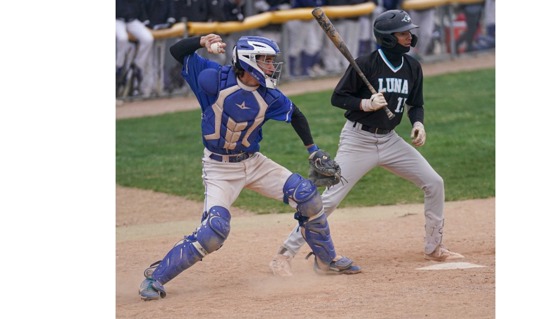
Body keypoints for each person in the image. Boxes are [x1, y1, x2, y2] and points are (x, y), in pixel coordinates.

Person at [138, 34, 361, 301]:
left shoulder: (269, 95)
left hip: (253, 162)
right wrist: (202, 41)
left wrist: (312, 150)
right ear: (247, 61)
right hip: (219, 168)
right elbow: (176, 51)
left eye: (271, 60)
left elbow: (297, 115)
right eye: (265, 60)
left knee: (308, 197)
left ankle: (326, 262)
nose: (271, 66)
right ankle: (155, 277)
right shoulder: (213, 79)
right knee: (214, 231)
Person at [269, 9, 464, 277]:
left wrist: (418, 123)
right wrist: (365, 103)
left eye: (409, 32)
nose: (409, 36)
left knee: (434, 182)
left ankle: (434, 247)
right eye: (403, 33)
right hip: (357, 140)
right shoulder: (365, 64)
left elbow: (415, 104)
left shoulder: (412, 67)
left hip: (391, 141)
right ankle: (284, 255)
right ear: (387, 38)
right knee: (329, 200)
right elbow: (338, 97)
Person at [116, 0, 155, 98]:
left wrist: (145, 21)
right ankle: (118, 66)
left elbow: (139, 7)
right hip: (116, 20)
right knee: (122, 38)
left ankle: (138, 65)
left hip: (131, 21)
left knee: (148, 39)